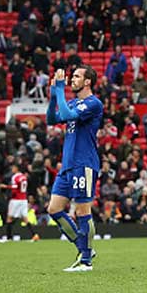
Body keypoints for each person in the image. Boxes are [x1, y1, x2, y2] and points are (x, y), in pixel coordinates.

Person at [46, 66, 104, 272]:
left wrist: (60, 88)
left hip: (84, 163)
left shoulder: (93, 103)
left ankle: (86, 261)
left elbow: (69, 115)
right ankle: (84, 247)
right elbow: (51, 119)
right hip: (68, 164)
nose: (72, 79)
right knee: (53, 209)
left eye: (77, 76)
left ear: (88, 82)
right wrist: (54, 95)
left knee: (82, 211)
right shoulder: (72, 102)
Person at [3, 163, 38, 241]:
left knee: (9, 217)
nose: (12, 169)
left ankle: (9, 238)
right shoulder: (24, 177)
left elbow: (14, 189)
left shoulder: (15, 177)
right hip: (24, 200)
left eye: (13, 167)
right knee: (25, 218)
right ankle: (34, 234)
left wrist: (6, 187)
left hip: (16, 200)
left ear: (16, 168)